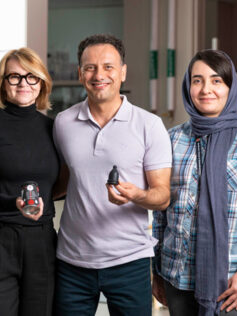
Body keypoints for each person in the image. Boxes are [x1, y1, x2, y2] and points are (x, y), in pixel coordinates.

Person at [53, 34, 172, 316]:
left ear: (123, 72)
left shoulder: (149, 125)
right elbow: (66, 180)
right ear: (80, 74)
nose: (99, 75)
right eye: (90, 67)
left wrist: (137, 195)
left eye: (108, 66)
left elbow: (162, 196)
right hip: (72, 262)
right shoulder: (63, 122)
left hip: (129, 261)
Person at [152, 49, 237, 316]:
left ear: (230, 86)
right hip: (177, 277)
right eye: (197, 80)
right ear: (188, 85)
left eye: (217, 80)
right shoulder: (171, 139)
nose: (206, 89)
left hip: (232, 280)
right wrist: (157, 271)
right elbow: (161, 211)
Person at [0, 47, 59, 316]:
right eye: (14, 77)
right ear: (2, 83)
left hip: (42, 240)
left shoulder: (54, 128)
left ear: (41, 82)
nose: (23, 84)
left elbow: (61, 182)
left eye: (31, 77)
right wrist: (15, 203)